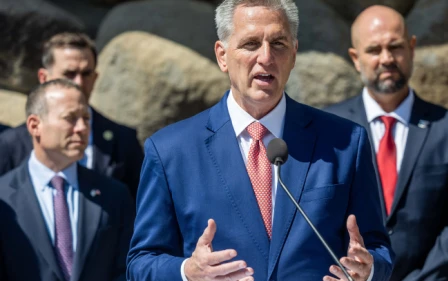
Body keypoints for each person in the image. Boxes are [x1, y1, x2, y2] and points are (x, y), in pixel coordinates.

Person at [127, 1, 393, 281]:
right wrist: (188, 272)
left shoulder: (346, 142)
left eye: (278, 43)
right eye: (251, 44)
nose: (266, 57)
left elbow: (379, 249)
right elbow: (141, 262)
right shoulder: (170, 150)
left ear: (294, 54)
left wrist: (369, 268)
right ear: (222, 56)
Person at [324, 5, 448, 281]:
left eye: (395, 47)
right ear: (355, 58)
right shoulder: (330, 128)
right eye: (374, 50)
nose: (386, 58)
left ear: (411, 48)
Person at [0, 79, 134, 281]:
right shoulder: (3, 199)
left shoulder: (115, 195)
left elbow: (126, 269)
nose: (82, 128)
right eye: (70, 118)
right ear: (35, 125)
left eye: (86, 118)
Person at [0, 32, 144, 198]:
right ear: (44, 77)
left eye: (86, 74)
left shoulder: (123, 140)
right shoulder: (10, 144)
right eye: (69, 74)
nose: (79, 83)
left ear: (95, 78)